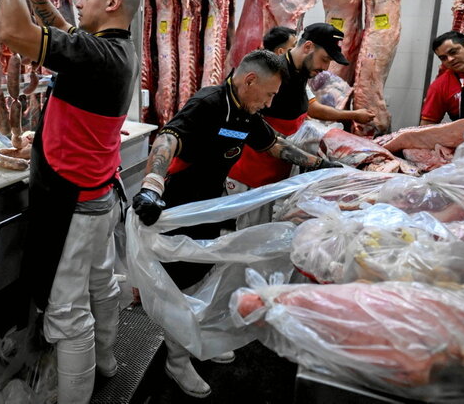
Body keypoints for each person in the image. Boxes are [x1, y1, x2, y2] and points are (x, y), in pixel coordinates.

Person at [0, 0, 141, 404]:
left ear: (113, 3)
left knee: (67, 314)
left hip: (73, 205)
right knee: (102, 284)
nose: (81, 0)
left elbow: (13, 33)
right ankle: (109, 360)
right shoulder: (116, 50)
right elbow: (65, 30)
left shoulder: (100, 56)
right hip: (98, 196)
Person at [132, 49, 339, 398]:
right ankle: (177, 360)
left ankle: (193, 340)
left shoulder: (245, 111)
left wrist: (318, 164)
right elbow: (168, 138)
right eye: (270, 94)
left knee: (201, 279)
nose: (271, 102)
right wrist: (151, 186)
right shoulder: (210, 103)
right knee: (179, 286)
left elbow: (274, 145)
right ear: (250, 80)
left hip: (209, 205)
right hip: (177, 206)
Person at [225, 24, 374, 228]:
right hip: (251, 172)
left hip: (276, 169)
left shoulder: (301, 72)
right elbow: (232, 124)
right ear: (308, 47)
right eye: (325, 59)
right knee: (248, 236)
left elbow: (307, 110)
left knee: (266, 230)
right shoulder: (270, 73)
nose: (326, 67)